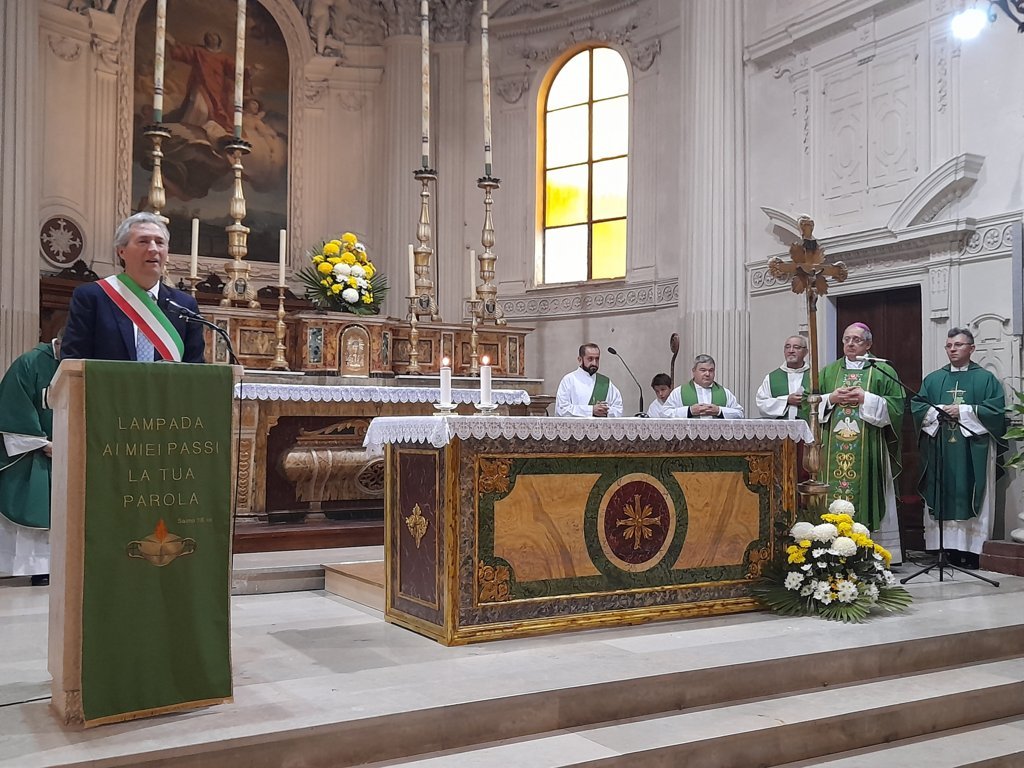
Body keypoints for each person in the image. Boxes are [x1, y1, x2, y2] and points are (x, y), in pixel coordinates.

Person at [911, 328, 1005, 569]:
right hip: (940, 448)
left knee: (971, 491)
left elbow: (996, 412)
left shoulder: (985, 379)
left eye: (958, 345)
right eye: (949, 345)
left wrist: (962, 411)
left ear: (971, 349)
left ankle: (973, 552)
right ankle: (946, 550)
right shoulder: (934, 379)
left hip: (972, 449)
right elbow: (918, 407)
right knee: (942, 491)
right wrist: (939, 412)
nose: (952, 349)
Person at [61, 212, 206, 363]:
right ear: (121, 251)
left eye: (160, 242)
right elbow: (73, 360)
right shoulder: (93, 297)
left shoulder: (184, 305)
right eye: (143, 241)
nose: (153, 249)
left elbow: (196, 368)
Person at [819, 322, 904, 563]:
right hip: (832, 448)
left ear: (868, 344)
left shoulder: (882, 370)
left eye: (856, 340)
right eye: (846, 339)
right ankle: (829, 546)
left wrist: (866, 398)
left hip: (869, 448)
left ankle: (870, 549)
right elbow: (809, 403)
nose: (850, 344)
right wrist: (831, 398)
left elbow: (897, 405)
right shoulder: (828, 371)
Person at [0, 335, 62, 586]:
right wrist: (44, 444)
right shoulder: (30, 363)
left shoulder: (85, 363)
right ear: (60, 343)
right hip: (37, 451)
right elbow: (14, 408)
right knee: (37, 503)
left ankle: (62, 566)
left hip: (75, 451)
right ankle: (39, 567)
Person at [664, 355, 744, 419]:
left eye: (711, 370)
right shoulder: (679, 392)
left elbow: (740, 414)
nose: (707, 374)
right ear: (694, 371)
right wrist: (689, 411)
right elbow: (665, 413)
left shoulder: (725, 393)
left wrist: (719, 411)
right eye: (703, 370)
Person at [555, 344, 623, 418]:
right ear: (580, 360)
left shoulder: (605, 383)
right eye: (590, 359)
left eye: (597, 359)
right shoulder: (569, 380)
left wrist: (605, 411)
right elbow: (562, 409)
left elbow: (618, 409)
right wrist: (591, 410)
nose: (594, 363)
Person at [756, 335, 811, 422]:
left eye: (796, 347)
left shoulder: (815, 376)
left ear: (806, 352)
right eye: (787, 347)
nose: (791, 351)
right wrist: (786, 400)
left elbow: (824, 401)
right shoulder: (771, 378)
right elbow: (762, 403)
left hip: (809, 427)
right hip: (780, 428)